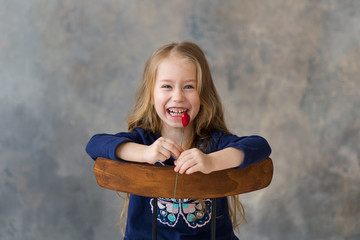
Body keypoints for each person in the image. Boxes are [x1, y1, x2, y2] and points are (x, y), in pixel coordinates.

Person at [86, 41, 271, 240]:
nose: (178, 97)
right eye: (167, 86)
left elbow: (260, 146)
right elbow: (95, 145)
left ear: (203, 95)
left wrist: (213, 162)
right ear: (151, 95)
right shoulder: (143, 140)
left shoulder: (214, 143)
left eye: (189, 86)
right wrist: (143, 153)